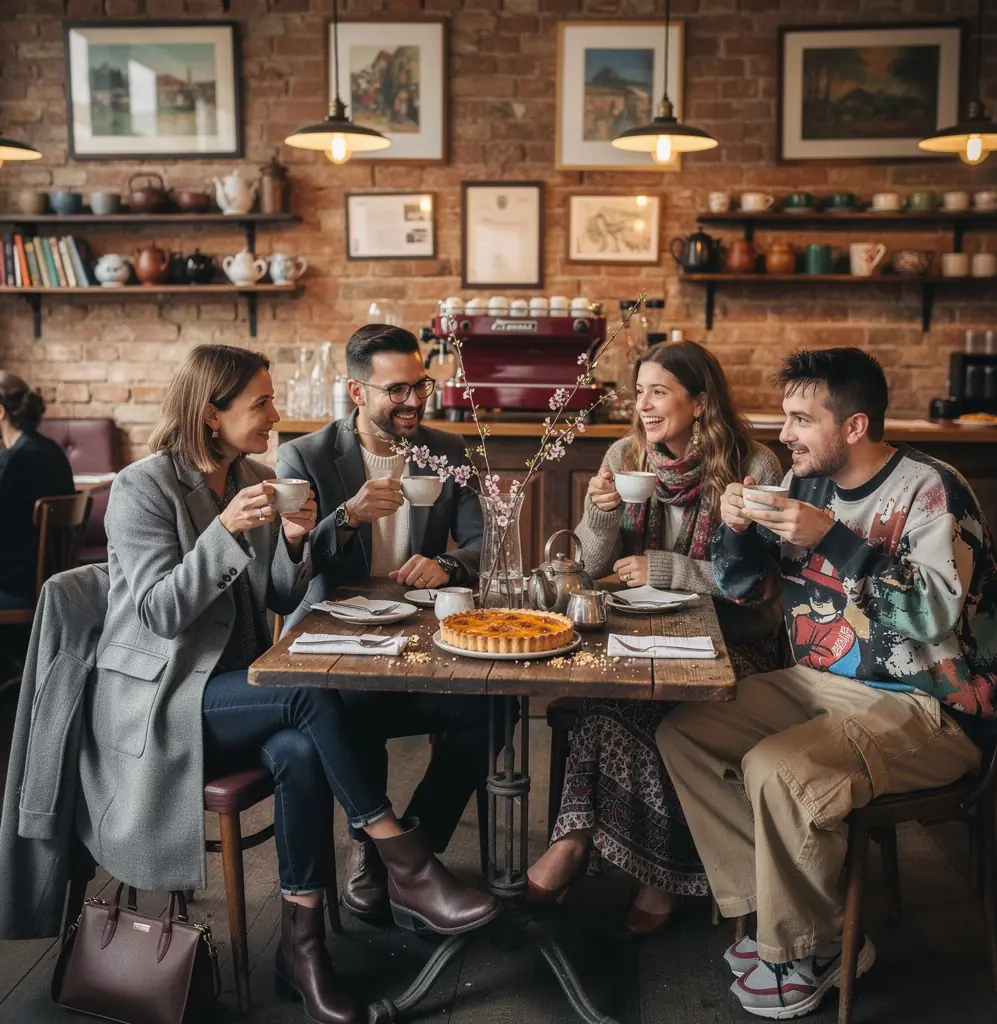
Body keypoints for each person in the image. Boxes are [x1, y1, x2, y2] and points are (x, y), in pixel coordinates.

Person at [88, 345, 498, 1024]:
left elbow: (277, 592)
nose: (276, 415)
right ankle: (406, 860)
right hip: (166, 703)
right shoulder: (142, 488)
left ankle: (302, 949)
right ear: (209, 413)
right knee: (307, 690)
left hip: (233, 690)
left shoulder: (251, 475)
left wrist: (297, 540)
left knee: (302, 750)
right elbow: (158, 614)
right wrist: (223, 531)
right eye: (261, 402)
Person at [656, 348, 997, 1019]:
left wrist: (835, 540)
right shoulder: (802, 483)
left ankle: (808, 948)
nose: (782, 433)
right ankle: (781, 919)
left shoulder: (932, 489)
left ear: (853, 426)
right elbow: (745, 587)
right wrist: (733, 533)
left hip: (931, 705)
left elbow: (934, 615)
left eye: (799, 419)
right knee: (686, 734)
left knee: (775, 769)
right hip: (821, 683)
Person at [527, 341, 783, 934]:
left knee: (660, 715)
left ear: (700, 401)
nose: (643, 404)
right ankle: (579, 844)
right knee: (603, 707)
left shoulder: (755, 467)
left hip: (732, 644)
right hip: (637, 637)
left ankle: (649, 875)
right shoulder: (625, 453)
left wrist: (670, 571)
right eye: (639, 390)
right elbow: (591, 569)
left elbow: (763, 585)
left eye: (659, 391)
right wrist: (600, 513)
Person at [277, 324, 506, 924]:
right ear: (357, 393)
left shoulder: (449, 451)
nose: (413, 401)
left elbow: (488, 545)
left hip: (422, 636)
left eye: (420, 386)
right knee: (350, 708)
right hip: (336, 638)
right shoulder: (304, 456)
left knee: (491, 710)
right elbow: (294, 567)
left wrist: (448, 563)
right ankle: (374, 844)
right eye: (396, 390)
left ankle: (409, 853)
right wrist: (346, 517)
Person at [0, 372, 75, 610]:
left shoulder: (13, 461)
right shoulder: (52, 451)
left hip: (15, 586)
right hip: (54, 581)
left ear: (1, 412)